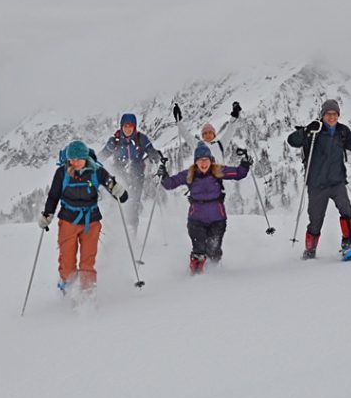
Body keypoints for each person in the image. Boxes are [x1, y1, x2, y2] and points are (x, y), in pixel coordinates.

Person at [39, 140, 128, 293]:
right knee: (67, 259)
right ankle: (68, 285)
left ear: (85, 158)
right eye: (71, 159)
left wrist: (118, 191)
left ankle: (87, 290)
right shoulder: (62, 173)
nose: (74, 162)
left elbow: (110, 184)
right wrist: (48, 214)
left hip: (91, 221)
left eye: (78, 159)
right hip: (68, 220)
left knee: (88, 259)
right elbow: (54, 195)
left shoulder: (96, 171)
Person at [286, 99, 351, 259]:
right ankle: (310, 250)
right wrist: (306, 130)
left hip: (337, 181)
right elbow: (292, 140)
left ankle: (348, 243)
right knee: (315, 219)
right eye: (328, 114)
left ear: (338, 115)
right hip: (317, 183)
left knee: (347, 210)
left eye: (334, 114)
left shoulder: (342, 131)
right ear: (322, 115)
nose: (331, 117)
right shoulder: (315, 130)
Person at [158, 142, 251, 274]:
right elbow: (169, 184)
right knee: (199, 249)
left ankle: (213, 273)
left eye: (206, 160)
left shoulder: (218, 171)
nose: (203, 164)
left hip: (217, 219)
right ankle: (195, 275)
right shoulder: (189, 174)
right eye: (200, 161)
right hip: (196, 220)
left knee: (213, 251)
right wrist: (164, 175)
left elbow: (239, 173)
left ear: (210, 160)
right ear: (196, 162)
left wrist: (245, 163)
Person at [102, 113, 161, 232]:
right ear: (121, 126)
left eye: (131, 126)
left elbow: (151, 151)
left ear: (134, 127)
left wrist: (158, 158)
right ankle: (116, 233)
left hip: (136, 176)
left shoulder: (141, 139)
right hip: (119, 176)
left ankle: (132, 231)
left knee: (134, 204)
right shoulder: (115, 141)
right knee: (119, 204)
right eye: (125, 126)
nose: (128, 129)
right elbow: (102, 155)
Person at [175, 101, 243, 163]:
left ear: (214, 134)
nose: (208, 135)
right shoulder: (198, 145)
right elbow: (187, 136)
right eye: (205, 134)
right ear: (202, 136)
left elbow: (230, 132)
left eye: (210, 133)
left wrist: (234, 116)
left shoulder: (220, 144)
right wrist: (179, 121)